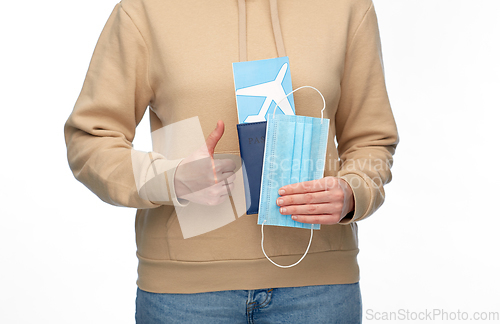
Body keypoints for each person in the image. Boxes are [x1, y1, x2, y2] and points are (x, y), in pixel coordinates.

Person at [64, 0, 398, 322]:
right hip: (184, 294)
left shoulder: (347, 6)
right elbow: (90, 141)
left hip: (319, 289)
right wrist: (172, 179)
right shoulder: (145, 8)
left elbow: (371, 139)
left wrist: (354, 191)